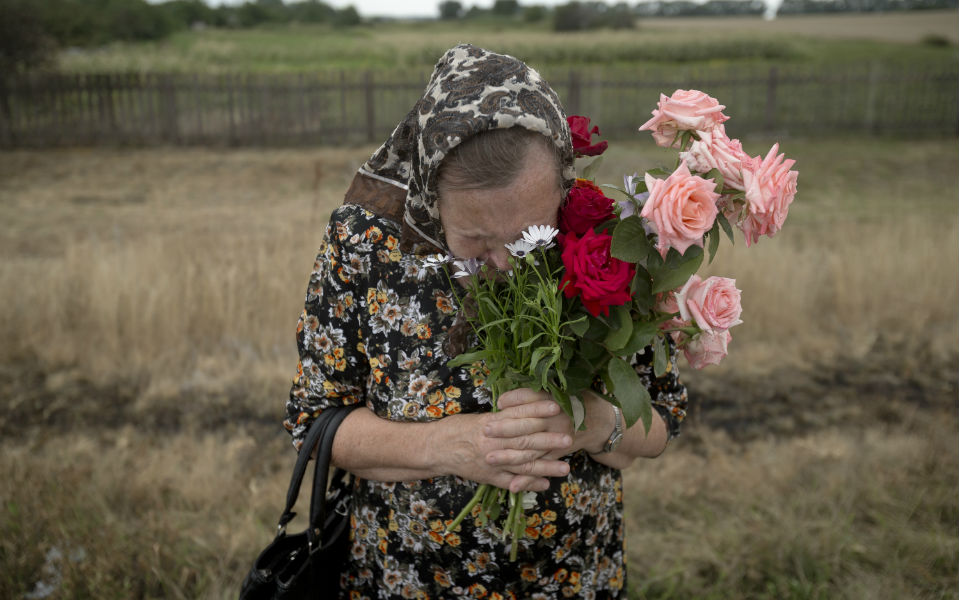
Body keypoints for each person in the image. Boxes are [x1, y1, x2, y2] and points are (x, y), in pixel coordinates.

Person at [284, 44, 688, 599]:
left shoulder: (601, 239)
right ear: (431, 198)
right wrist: (448, 446)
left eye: (527, 236)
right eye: (475, 241)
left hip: (571, 576)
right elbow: (313, 421)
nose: (502, 263)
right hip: (407, 578)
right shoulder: (365, 242)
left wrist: (600, 425)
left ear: (562, 191)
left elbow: (662, 419)